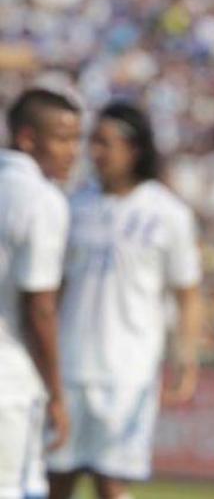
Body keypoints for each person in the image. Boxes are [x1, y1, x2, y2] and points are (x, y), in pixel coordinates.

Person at [47, 102, 202, 499]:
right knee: (56, 479)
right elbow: (55, 289)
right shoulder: (73, 207)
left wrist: (185, 357)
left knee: (112, 483)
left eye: (104, 143)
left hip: (128, 371)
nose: (94, 152)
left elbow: (187, 293)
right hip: (68, 365)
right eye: (92, 142)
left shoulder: (167, 213)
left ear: (133, 149)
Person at [0, 88, 80, 499]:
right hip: (10, 378)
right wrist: (56, 392)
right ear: (28, 139)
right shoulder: (42, 200)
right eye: (63, 138)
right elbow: (40, 308)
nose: (73, 151)